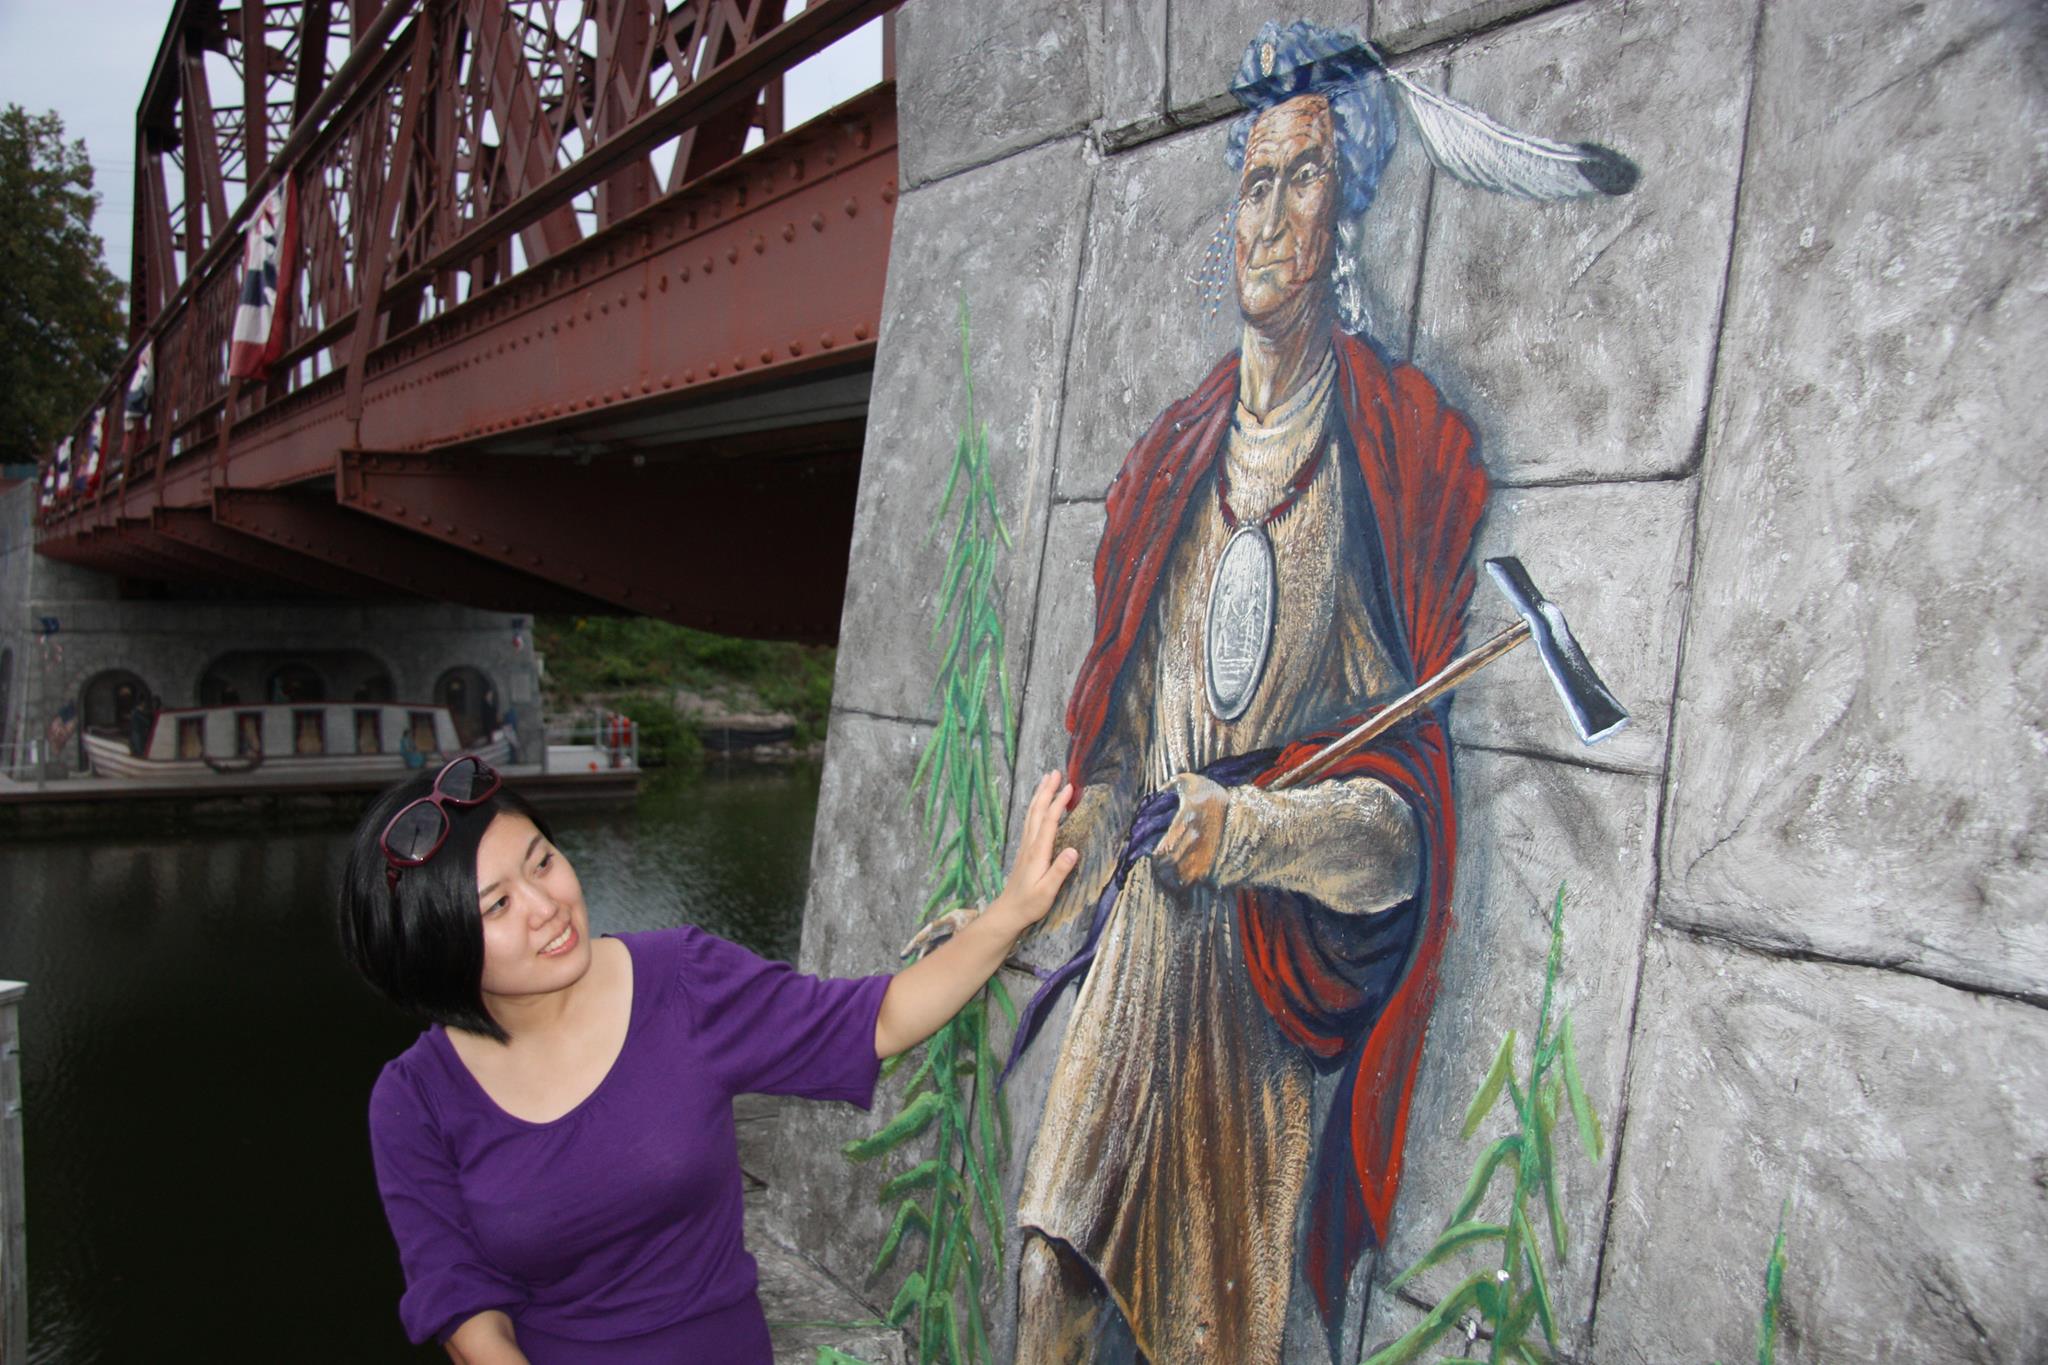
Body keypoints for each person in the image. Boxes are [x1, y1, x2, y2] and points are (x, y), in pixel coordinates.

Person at [1008, 22, 1492, 1364]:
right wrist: (1063, 859)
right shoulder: (1173, 455)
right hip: (1142, 960)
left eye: (1303, 178)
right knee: (1050, 1263)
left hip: (1255, 994)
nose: (1266, 216)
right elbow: (1118, 750)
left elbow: (1403, 833)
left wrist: (1252, 830)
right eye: (1252, 178)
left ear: (1348, 212)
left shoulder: (1388, 453)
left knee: (1213, 1334)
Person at [339, 756, 1078, 1362]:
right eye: (496, 904)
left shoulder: (684, 978)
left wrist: (1008, 913)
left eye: (543, 859)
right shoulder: (414, 1098)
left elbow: (874, 1018)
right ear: (437, 946)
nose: (547, 904)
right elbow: (462, 1301)